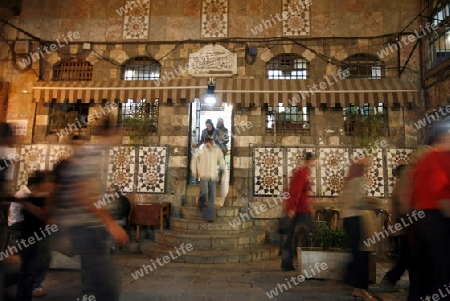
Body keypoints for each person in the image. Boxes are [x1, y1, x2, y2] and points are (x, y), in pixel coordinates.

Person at [53, 132, 128, 301]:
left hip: (92, 226)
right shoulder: (71, 166)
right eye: (77, 145)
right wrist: (110, 223)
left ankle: (90, 292)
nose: (81, 148)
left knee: (96, 269)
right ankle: (90, 292)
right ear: (72, 147)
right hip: (84, 227)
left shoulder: (84, 164)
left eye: (82, 145)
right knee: (105, 279)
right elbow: (83, 196)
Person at [408, 119, 450, 301]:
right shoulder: (439, 158)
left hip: (419, 216)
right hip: (435, 217)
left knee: (424, 265)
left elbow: (412, 187)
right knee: (442, 267)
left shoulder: (426, 159)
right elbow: (440, 193)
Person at [340, 159, 378, 301]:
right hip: (355, 220)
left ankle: (355, 283)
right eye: (365, 167)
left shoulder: (350, 180)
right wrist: (370, 202)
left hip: (351, 219)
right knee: (361, 254)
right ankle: (359, 288)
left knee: (358, 253)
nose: (366, 169)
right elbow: (355, 202)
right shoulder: (355, 181)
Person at [15, 171, 53, 301]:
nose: (48, 184)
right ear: (39, 184)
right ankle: (29, 292)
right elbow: (42, 216)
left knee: (37, 264)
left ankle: (33, 288)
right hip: (30, 238)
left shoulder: (38, 198)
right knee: (28, 271)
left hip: (37, 237)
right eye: (46, 182)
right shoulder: (27, 197)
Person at [281, 152, 315, 271]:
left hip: (302, 208)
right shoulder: (302, 173)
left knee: (293, 236)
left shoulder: (305, 173)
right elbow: (296, 191)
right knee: (303, 235)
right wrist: (292, 208)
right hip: (299, 210)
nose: (313, 163)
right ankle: (299, 263)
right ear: (308, 161)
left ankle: (289, 263)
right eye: (312, 161)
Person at [379, 164, 409, 290]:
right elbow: (403, 207)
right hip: (403, 227)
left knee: (406, 257)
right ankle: (389, 279)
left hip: (400, 227)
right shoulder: (403, 185)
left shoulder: (401, 185)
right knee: (405, 257)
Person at [190, 136, 226, 222]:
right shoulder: (200, 150)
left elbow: (221, 160)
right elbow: (193, 160)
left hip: (213, 176)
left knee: (212, 196)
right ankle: (201, 203)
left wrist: (223, 169)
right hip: (203, 175)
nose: (210, 144)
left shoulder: (217, 150)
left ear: (213, 142)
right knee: (205, 191)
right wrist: (194, 172)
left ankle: (209, 217)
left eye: (211, 142)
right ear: (205, 142)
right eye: (208, 142)